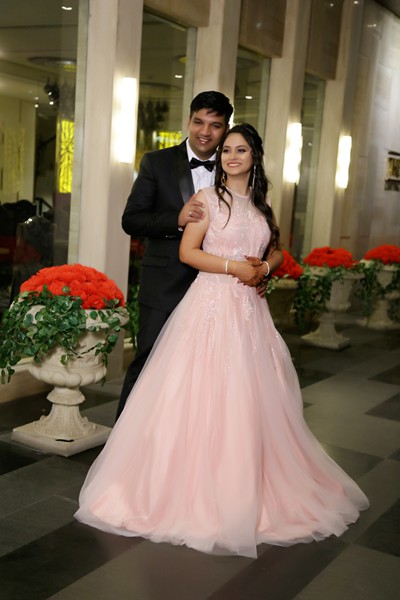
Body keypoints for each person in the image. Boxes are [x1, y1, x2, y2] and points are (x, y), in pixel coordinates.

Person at [75, 123, 368, 559]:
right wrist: (235, 268)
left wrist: (264, 269)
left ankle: (249, 485)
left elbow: (277, 250)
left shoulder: (263, 204)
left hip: (250, 312)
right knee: (201, 392)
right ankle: (188, 491)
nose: (231, 156)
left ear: (254, 157)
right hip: (210, 305)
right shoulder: (207, 199)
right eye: (226, 150)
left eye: (240, 150)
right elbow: (187, 252)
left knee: (249, 397)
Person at [116, 91, 270, 420]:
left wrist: (258, 271)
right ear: (188, 120)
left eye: (215, 125)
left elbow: (251, 231)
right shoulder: (157, 162)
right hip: (165, 285)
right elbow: (131, 220)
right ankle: (125, 440)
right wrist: (177, 218)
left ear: (225, 128)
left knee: (209, 378)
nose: (205, 132)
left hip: (220, 295)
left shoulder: (232, 167)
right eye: (199, 122)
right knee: (148, 365)